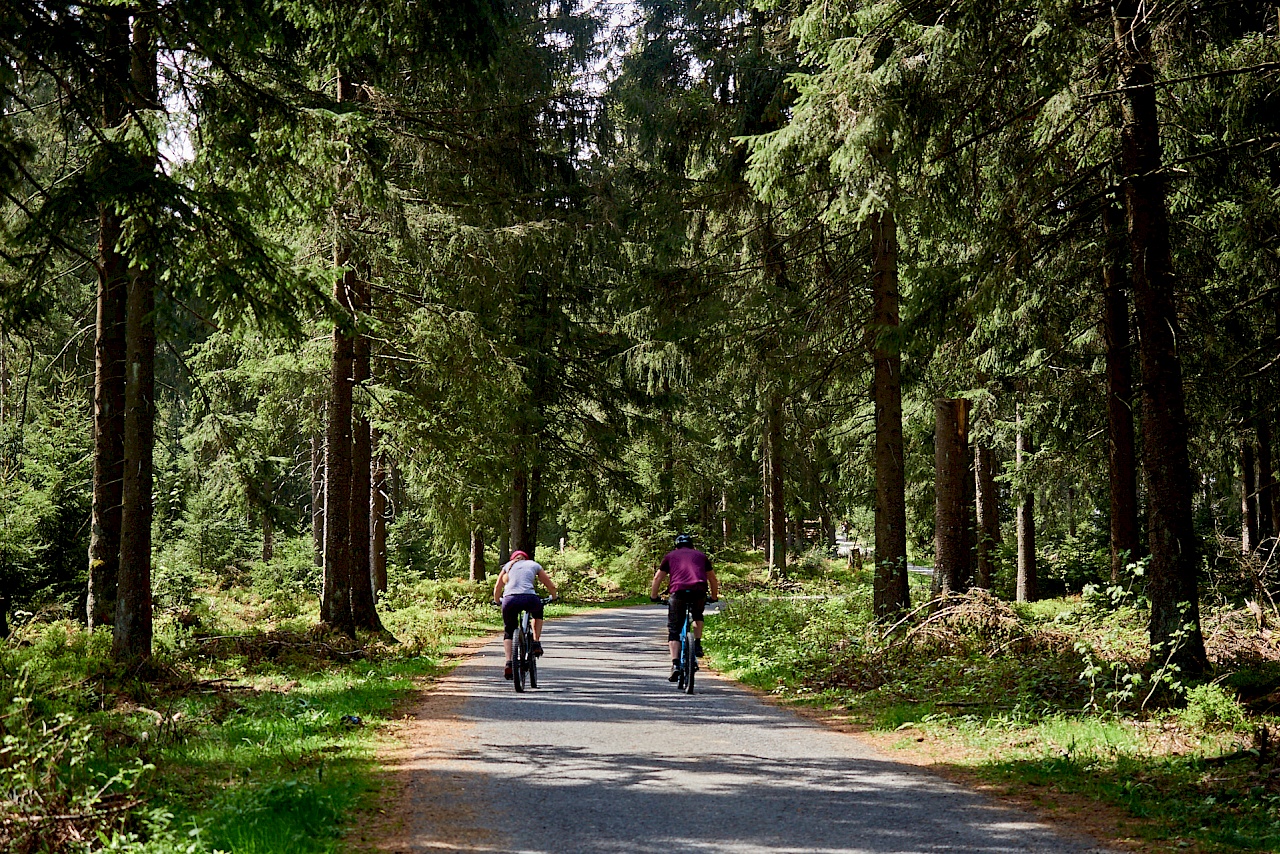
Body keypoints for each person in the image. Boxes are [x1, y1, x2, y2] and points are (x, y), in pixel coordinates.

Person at [650, 533, 719, 682]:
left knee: (674, 629)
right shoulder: (701, 556)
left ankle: (675, 664)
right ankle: (697, 644)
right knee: (697, 615)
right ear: (692, 545)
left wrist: (654, 596)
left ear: (676, 546)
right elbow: (713, 579)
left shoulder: (670, 556)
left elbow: (658, 578)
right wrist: (714, 597)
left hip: (678, 592)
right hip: (699, 591)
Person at [493, 550, 558, 680]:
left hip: (509, 600)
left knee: (509, 631)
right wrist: (554, 596)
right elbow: (550, 585)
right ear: (526, 558)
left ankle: (509, 662)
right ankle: (536, 642)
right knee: (537, 613)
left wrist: (496, 600)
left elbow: (497, 588)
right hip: (529, 598)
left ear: (513, 559)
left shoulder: (508, 566)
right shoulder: (533, 565)